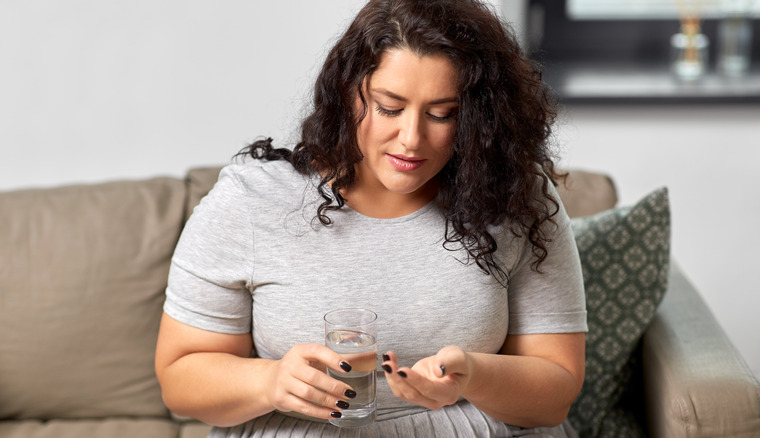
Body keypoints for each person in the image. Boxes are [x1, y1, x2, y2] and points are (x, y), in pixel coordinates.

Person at [155, 0, 587, 436]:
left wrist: (473, 377)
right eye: (388, 107)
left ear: (479, 118)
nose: (412, 139)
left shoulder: (516, 197)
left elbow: (555, 396)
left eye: (443, 114)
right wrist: (270, 382)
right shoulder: (251, 201)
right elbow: (180, 380)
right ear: (347, 94)